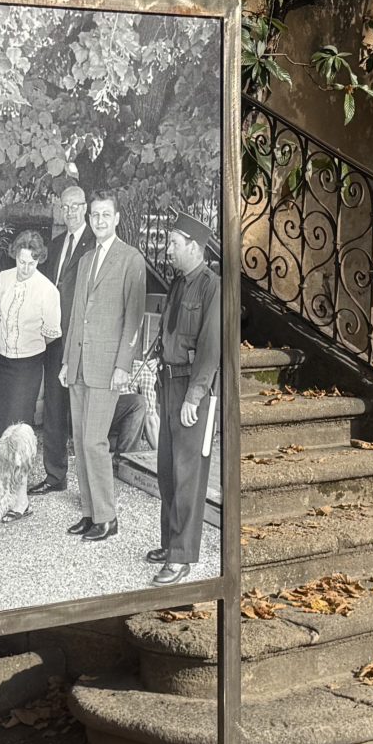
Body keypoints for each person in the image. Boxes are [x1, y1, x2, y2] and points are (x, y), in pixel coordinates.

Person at [58, 192, 146, 544]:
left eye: (105, 215)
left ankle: (107, 517)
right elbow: (77, 315)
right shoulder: (85, 261)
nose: (99, 220)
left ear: (117, 217)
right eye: (94, 215)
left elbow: (134, 318)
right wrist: (66, 360)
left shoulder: (131, 259)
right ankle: (89, 512)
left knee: (95, 441)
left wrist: (124, 365)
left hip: (108, 366)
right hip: (79, 362)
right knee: (80, 440)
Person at [149, 215, 225, 584]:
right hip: (169, 384)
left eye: (173, 243)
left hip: (192, 388)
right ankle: (169, 542)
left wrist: (194, 397)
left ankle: (181, 558)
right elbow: (171, 333)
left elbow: (211, 350)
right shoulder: (180, 283)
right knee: (167, 469)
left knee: (187, 475)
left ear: (194, 246)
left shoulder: (213, 287)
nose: (168, 249)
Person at [36, 179, 92, 493]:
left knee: (81, 411)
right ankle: (55, 476)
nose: (70, 212)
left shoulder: (95, 244)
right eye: (65, 207)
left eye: (75, 206)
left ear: (85, 208)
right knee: (54, 407)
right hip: (55, 338)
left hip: (81, 339)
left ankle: (87, 485)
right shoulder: (55, 245)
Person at [0, 228, 62, 442]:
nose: (26, 268)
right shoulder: (3, 278)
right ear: (15, 255)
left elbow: (51, 334)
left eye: (31, 263)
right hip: (1, 360)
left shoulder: (48, 291)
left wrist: (27, 344)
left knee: (18, 427)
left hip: (27, 366)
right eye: (22, 261)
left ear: (39, 260)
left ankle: (18, 473)